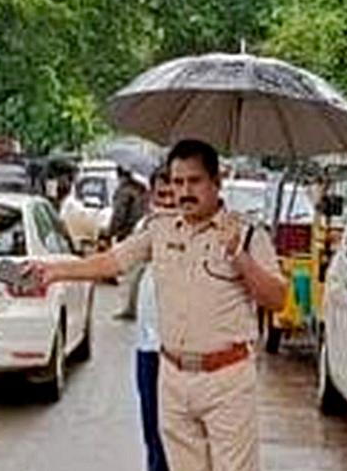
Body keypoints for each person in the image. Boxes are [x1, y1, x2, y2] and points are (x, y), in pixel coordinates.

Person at [27, 140, 287, 471]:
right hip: (174, 376)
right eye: (178, 182)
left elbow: (277, 299)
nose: (185, 191)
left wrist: (238, 254)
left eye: (194, 181)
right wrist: (54, 271)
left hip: (227, 379)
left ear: (216, 182)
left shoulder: (248, 234)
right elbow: (111, 263)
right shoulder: (160, 230)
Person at [136, 167, 176, 471]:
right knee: (153, 431)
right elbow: (115, 262)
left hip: (184, 353)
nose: (167, 202)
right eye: (161, 195)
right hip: (149, 347)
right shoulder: (146, 229)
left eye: (172, 195)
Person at [111, 166, 149, 319]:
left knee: (126, 273)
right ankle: (133, 305)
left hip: (126, 234)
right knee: (136, 274)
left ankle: (128, 307)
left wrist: (111, 231)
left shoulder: (124, 191)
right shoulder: (140, 188)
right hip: (139, 231)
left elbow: (119, 214)